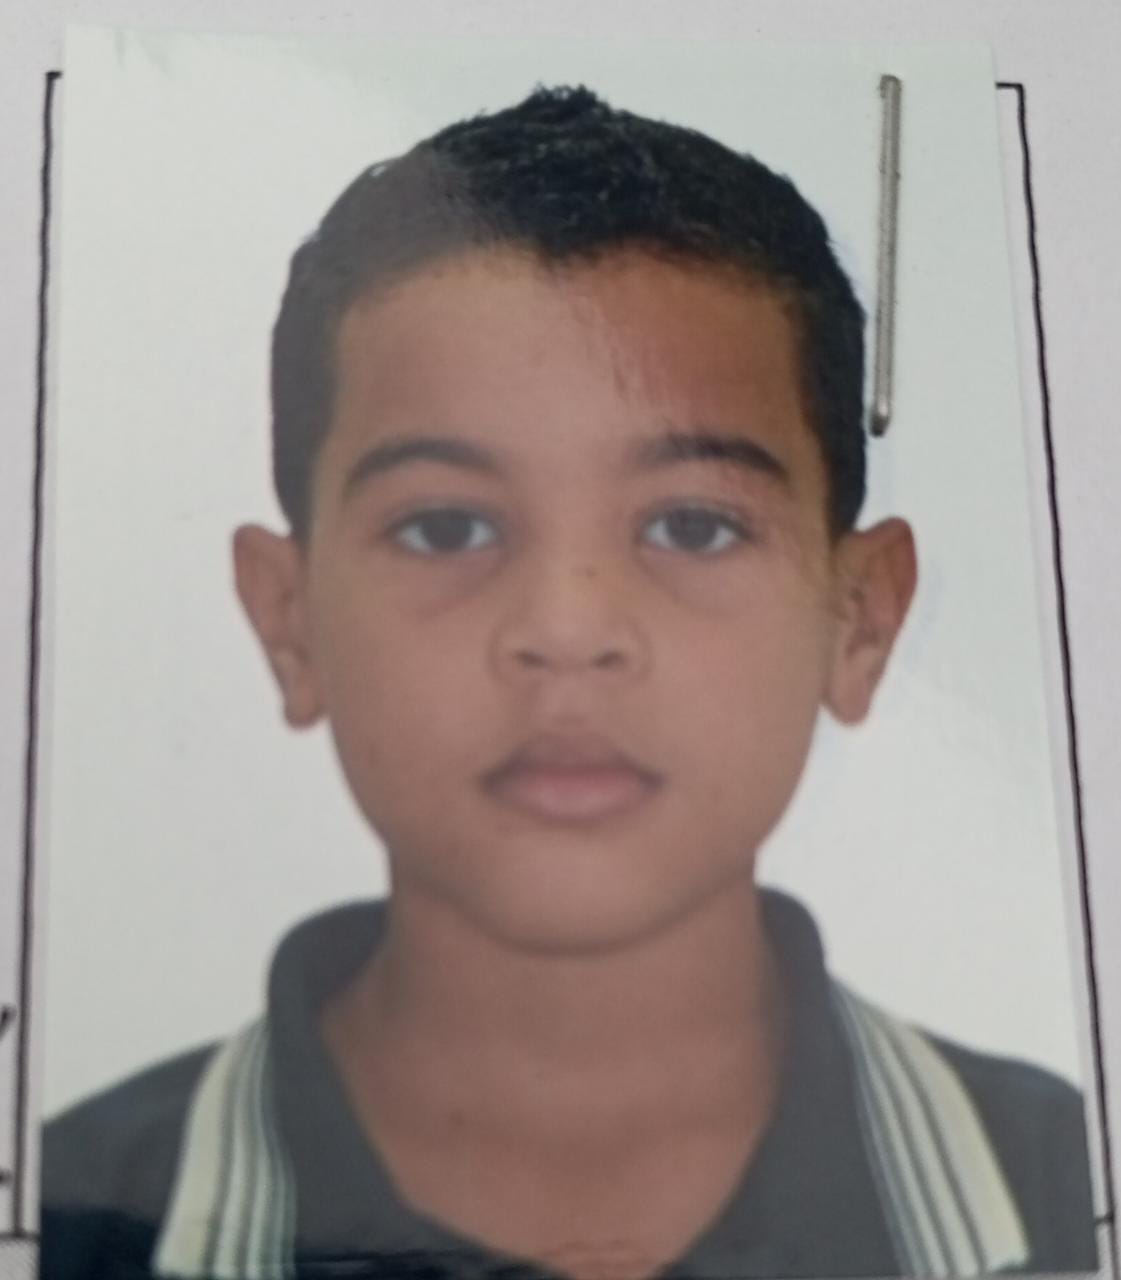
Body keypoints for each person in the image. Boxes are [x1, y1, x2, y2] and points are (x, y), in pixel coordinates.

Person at [41, 85, 1098, 1280]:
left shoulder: (1073, 1192)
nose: (567, 628)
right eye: (446, 526)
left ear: (857, 618)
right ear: (288, 618)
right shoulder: (63, 1220)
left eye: (691, 526)